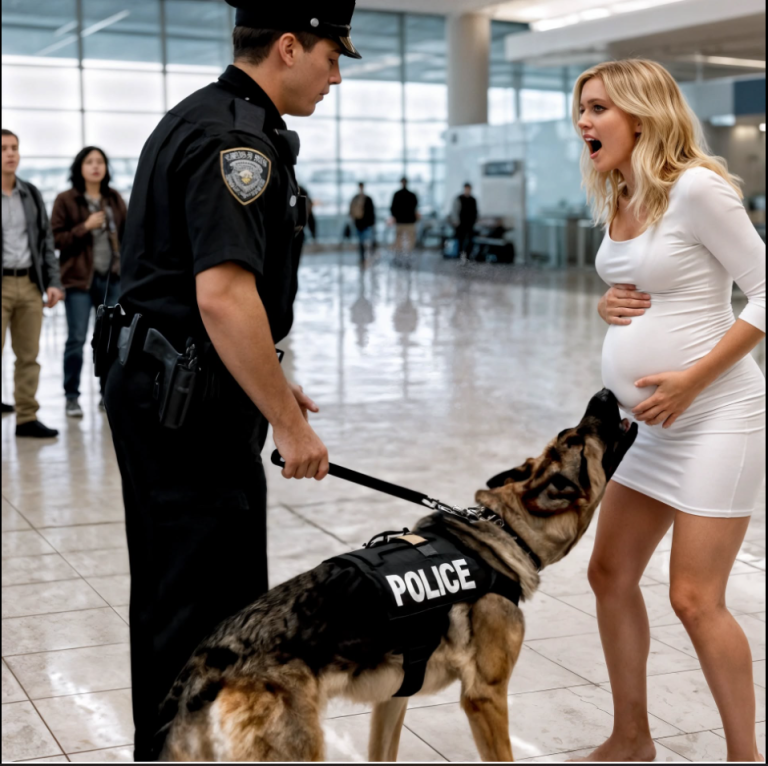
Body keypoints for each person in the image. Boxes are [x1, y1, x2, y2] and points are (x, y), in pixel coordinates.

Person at [101, 0, 360, 759]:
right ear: (287, 45)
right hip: (185, 413)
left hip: (178, 390)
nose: (336, 76)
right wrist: (287, 420)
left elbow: (198, 293)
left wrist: (268, 386)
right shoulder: (234, 141)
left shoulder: (208, 116)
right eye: (331, 56)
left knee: (186, 597)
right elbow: (221, 294)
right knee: (199, 611)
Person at [574, 60, 765, 763]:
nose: (584, 123)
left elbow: (767, 290)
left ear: (642, 113)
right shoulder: (621, 191)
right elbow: (655, 285)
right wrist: (607, 304)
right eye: (582, 110)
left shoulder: (697, 190)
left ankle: (745, 757)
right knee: (608, 572)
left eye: (598, 109)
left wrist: (690, 380)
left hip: (718, 417)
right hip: (647, 430)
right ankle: (632, 737)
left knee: (694, 597)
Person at [52, 146, 126, 417]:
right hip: (78, 283)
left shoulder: (114, 199)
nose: (96, 166)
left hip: (112, 281)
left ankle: (108, 393)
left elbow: (129, 237)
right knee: (77, 339)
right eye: (89, 161)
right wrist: (86, 226)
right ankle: (72, 396)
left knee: (112, 340)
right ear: (79, 167)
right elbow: (56, 239)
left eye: (100, 162)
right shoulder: (66, 199)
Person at [1, 128, 64, 437]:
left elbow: (45, 242)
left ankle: (26, 417)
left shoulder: (31, 193)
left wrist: (54, 282)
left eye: (14, 147)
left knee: (29, 356)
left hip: (28, 284)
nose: (10, 153)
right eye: (3, 149)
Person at [389, 177, 419, 256]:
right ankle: (405, 256)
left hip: (401, 222)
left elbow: (392, 208)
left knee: (400, 241)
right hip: (408, 222)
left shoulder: (397, 194)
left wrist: (395, 216)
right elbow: (415, 206)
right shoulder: (411, 195)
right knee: (408, 241)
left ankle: (401, 257)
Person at [349, 181, 376, 262]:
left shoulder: (356, 198)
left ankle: (364, 258)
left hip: (361, 223)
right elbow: (372, 212)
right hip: (363, 224)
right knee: (365, 241)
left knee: (363, 242)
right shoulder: (366, 199)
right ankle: (365, 257)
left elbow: (351, 212)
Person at [451, 183, 478, 260]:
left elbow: (475, 211)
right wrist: (456, 220)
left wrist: (475, 220)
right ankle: (460, 256)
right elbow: (455, 210)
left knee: (470, 241)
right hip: (461, 224)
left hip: (470, 224)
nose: (467, 190)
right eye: (466, 189)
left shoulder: (473, 200)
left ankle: (468, 256)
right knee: (461, 240)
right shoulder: (459, 198)